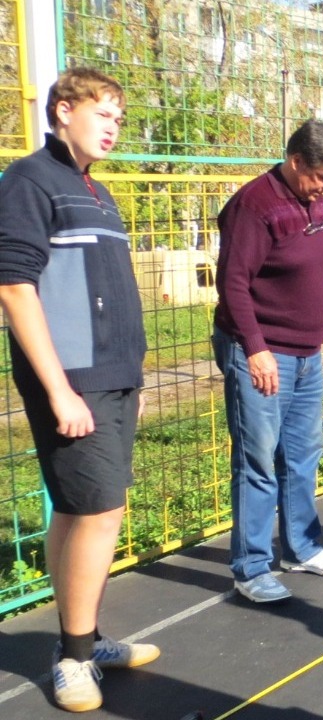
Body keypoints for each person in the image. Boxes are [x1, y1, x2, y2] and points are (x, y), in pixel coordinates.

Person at [0, 67, 159, 713]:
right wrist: (60, 390)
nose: (113, 126)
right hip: (73, 380)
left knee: (78, 511)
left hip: (113, 377)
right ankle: (72, 659)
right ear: (64, 110)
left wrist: (131, 376)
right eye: (103, 113)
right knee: (99, 512)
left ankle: (86, 638)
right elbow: (15, 288)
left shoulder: (97, 191)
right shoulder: (30, 179)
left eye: (119, 117)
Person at [213, 120, 323, 604]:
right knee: (258, 459)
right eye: (322, 177)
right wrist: (255, 348)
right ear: (296, 161)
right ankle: (251, 567)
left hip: (306, 352)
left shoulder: (312, 200)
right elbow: (233, 283)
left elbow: (321, 268)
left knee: (302, 454)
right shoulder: (254, 206)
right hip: (262, 351)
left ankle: (301, 547)